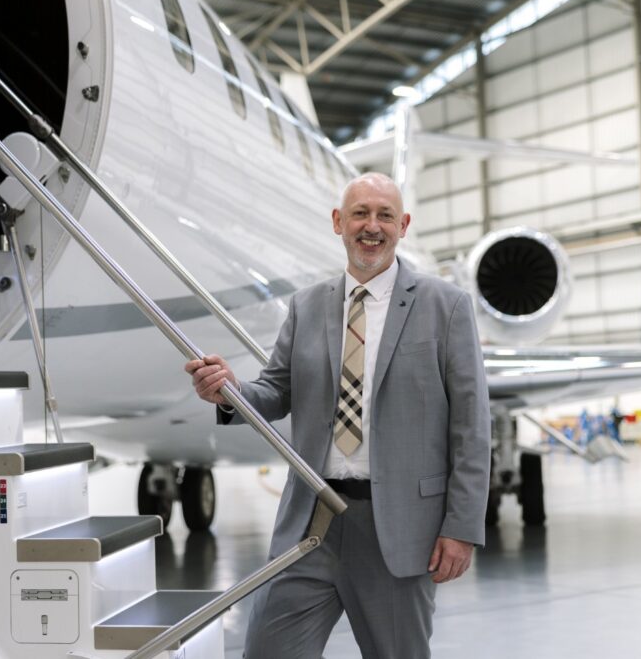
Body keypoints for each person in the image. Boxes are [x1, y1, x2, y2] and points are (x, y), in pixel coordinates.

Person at [185, 172, 490, 658]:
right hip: (312, 521)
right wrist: (231, 392)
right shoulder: (307, 306)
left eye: (385, 215)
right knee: (267, 651)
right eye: (360, 214)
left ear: (403, 225)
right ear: (338, 222)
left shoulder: (445, 306)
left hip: (398, 527)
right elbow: (277, 391)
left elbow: (471, 426)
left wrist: (461, 527)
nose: (372, 226)